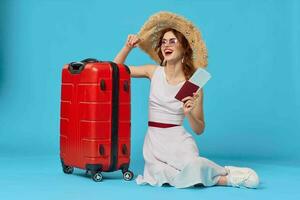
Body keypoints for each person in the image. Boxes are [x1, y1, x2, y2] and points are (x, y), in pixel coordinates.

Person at [114, 11, 259, 189]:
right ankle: (224, 176)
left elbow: (199, 129)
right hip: (154, 143)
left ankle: (227, 176)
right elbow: (115, 71)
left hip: (179, 142)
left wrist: (188, 113)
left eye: (173, 41)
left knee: (192, 167)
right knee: (162, 174)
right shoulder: (152, 72)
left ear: (184, 48)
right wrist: (127, 47)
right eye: (164, 42)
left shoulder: (194, 84)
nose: (167, 45)